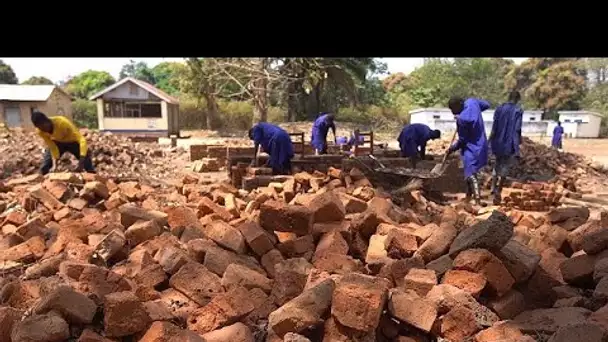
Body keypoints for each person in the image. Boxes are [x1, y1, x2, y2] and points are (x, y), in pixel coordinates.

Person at [446, 97, 490, 206]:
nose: (452, 112)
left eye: (453, 109)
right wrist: (475, 111)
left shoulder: (462, 119)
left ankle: (477, 201)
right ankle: (468, 198)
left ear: (460, 105)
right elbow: (486, 105)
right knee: (471, 172)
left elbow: (462, 140)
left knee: (470, 174)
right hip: (481, 144)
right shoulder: (472, 102)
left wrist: (452, 148)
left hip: (471, 148)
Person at [31, 111, 94, 175]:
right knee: (45, 165)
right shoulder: (40, 131)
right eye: (40, 128)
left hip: (73, 142)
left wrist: (81, 162)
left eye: (44, 127)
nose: (43, 130)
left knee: (86, 161)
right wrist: (55, 164)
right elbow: (52, 146)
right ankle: (43, 180)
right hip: (58, 143)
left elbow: (81, 139)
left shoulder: (62, 122)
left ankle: (93, 176)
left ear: (47, 121)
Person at [489, 91, 523, 205]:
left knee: (497, 163)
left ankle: (493, 187)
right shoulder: (518, 111)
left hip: (497, 141)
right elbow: (517, 129)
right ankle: (499, 189)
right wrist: (517, 146)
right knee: (505, 165)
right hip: (509, 142)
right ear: (517, 99)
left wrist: (490, 141)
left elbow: (494, 127)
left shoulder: (499, 109)